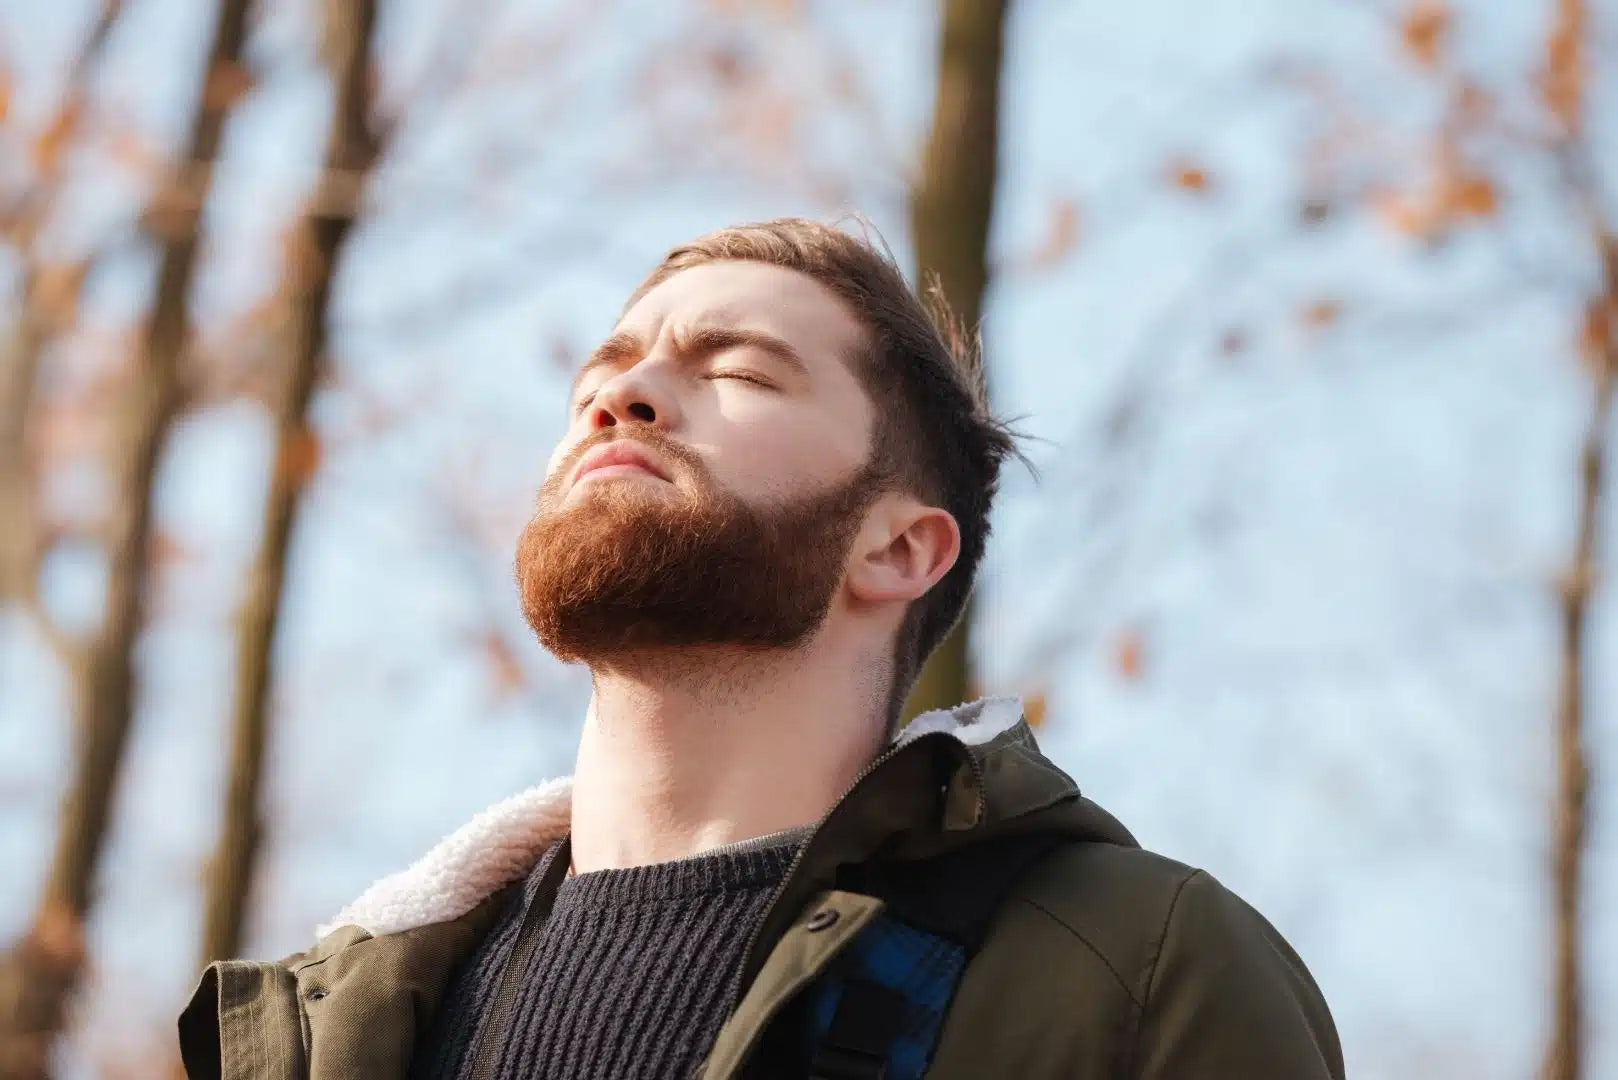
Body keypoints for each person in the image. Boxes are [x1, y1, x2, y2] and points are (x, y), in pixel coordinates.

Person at [179, 218, 1344, 1080]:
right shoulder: (328, 1031)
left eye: (732, 370)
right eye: (607, 366)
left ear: (897, 550)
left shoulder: (1133, 971)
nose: (622, 393)